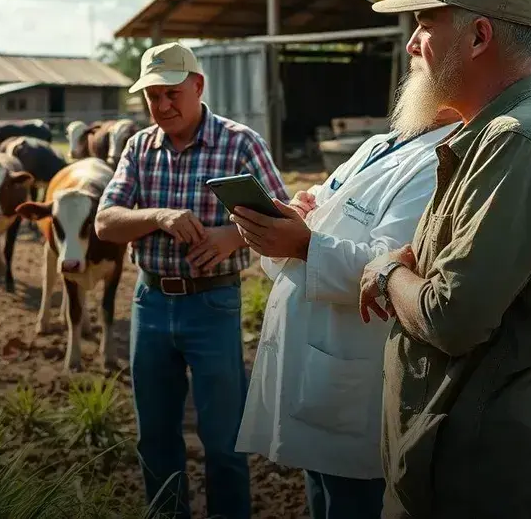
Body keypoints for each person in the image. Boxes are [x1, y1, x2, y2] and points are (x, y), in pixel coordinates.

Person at [356, 0, 531, 518]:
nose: (413, 45)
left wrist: (386, 270)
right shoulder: (488, 137)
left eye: (424, 25)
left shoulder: (517, 142)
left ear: (479, 37)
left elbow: (450, 315)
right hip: (450, 454)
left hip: (477, 468)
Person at [229, 92, 460, 519]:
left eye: (425, 46)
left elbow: (389, 266)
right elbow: (318, 206)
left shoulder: (442, 160)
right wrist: (295, 218)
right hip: (316, 365)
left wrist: (302, 241)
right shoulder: (380, 144)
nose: (410, 48)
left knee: (351, 499)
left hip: (353, 373)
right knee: (322, 491)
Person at [94, 41, 288, 519]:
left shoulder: (240, 143)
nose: (161, 106)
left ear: (198, 85)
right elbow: (105, 222)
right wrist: (158, 216)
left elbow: (286, 219)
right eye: (152, 96)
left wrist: (229, 236)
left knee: (224, 440)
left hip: (213, 303)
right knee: (155, 437)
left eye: (171, 93)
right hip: (151, 300)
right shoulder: (139, 147)